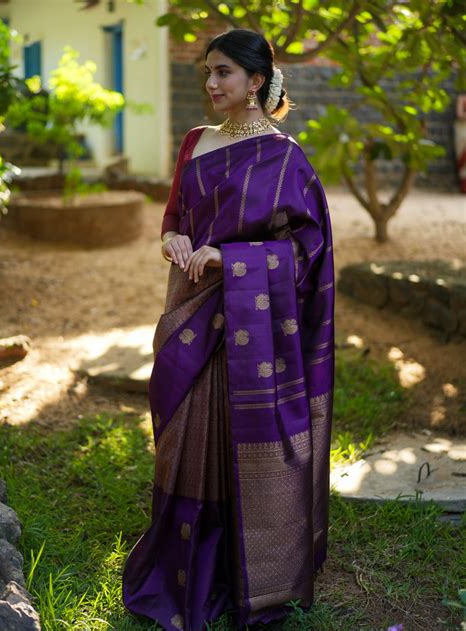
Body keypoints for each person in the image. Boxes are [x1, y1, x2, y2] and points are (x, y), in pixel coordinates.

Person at [122, 28, 335, 631]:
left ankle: (248, 565)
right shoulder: (195, 142)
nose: (211, 85)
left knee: (238, 430)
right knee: (183, 432)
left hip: (249, 322)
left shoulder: (286, 158)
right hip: (192, 309)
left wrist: (229, 259)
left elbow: (307, 250)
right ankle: (183, 554)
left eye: (223, 74)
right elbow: (171, 218)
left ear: (257, 81)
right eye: (207, 74)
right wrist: (177, 241)